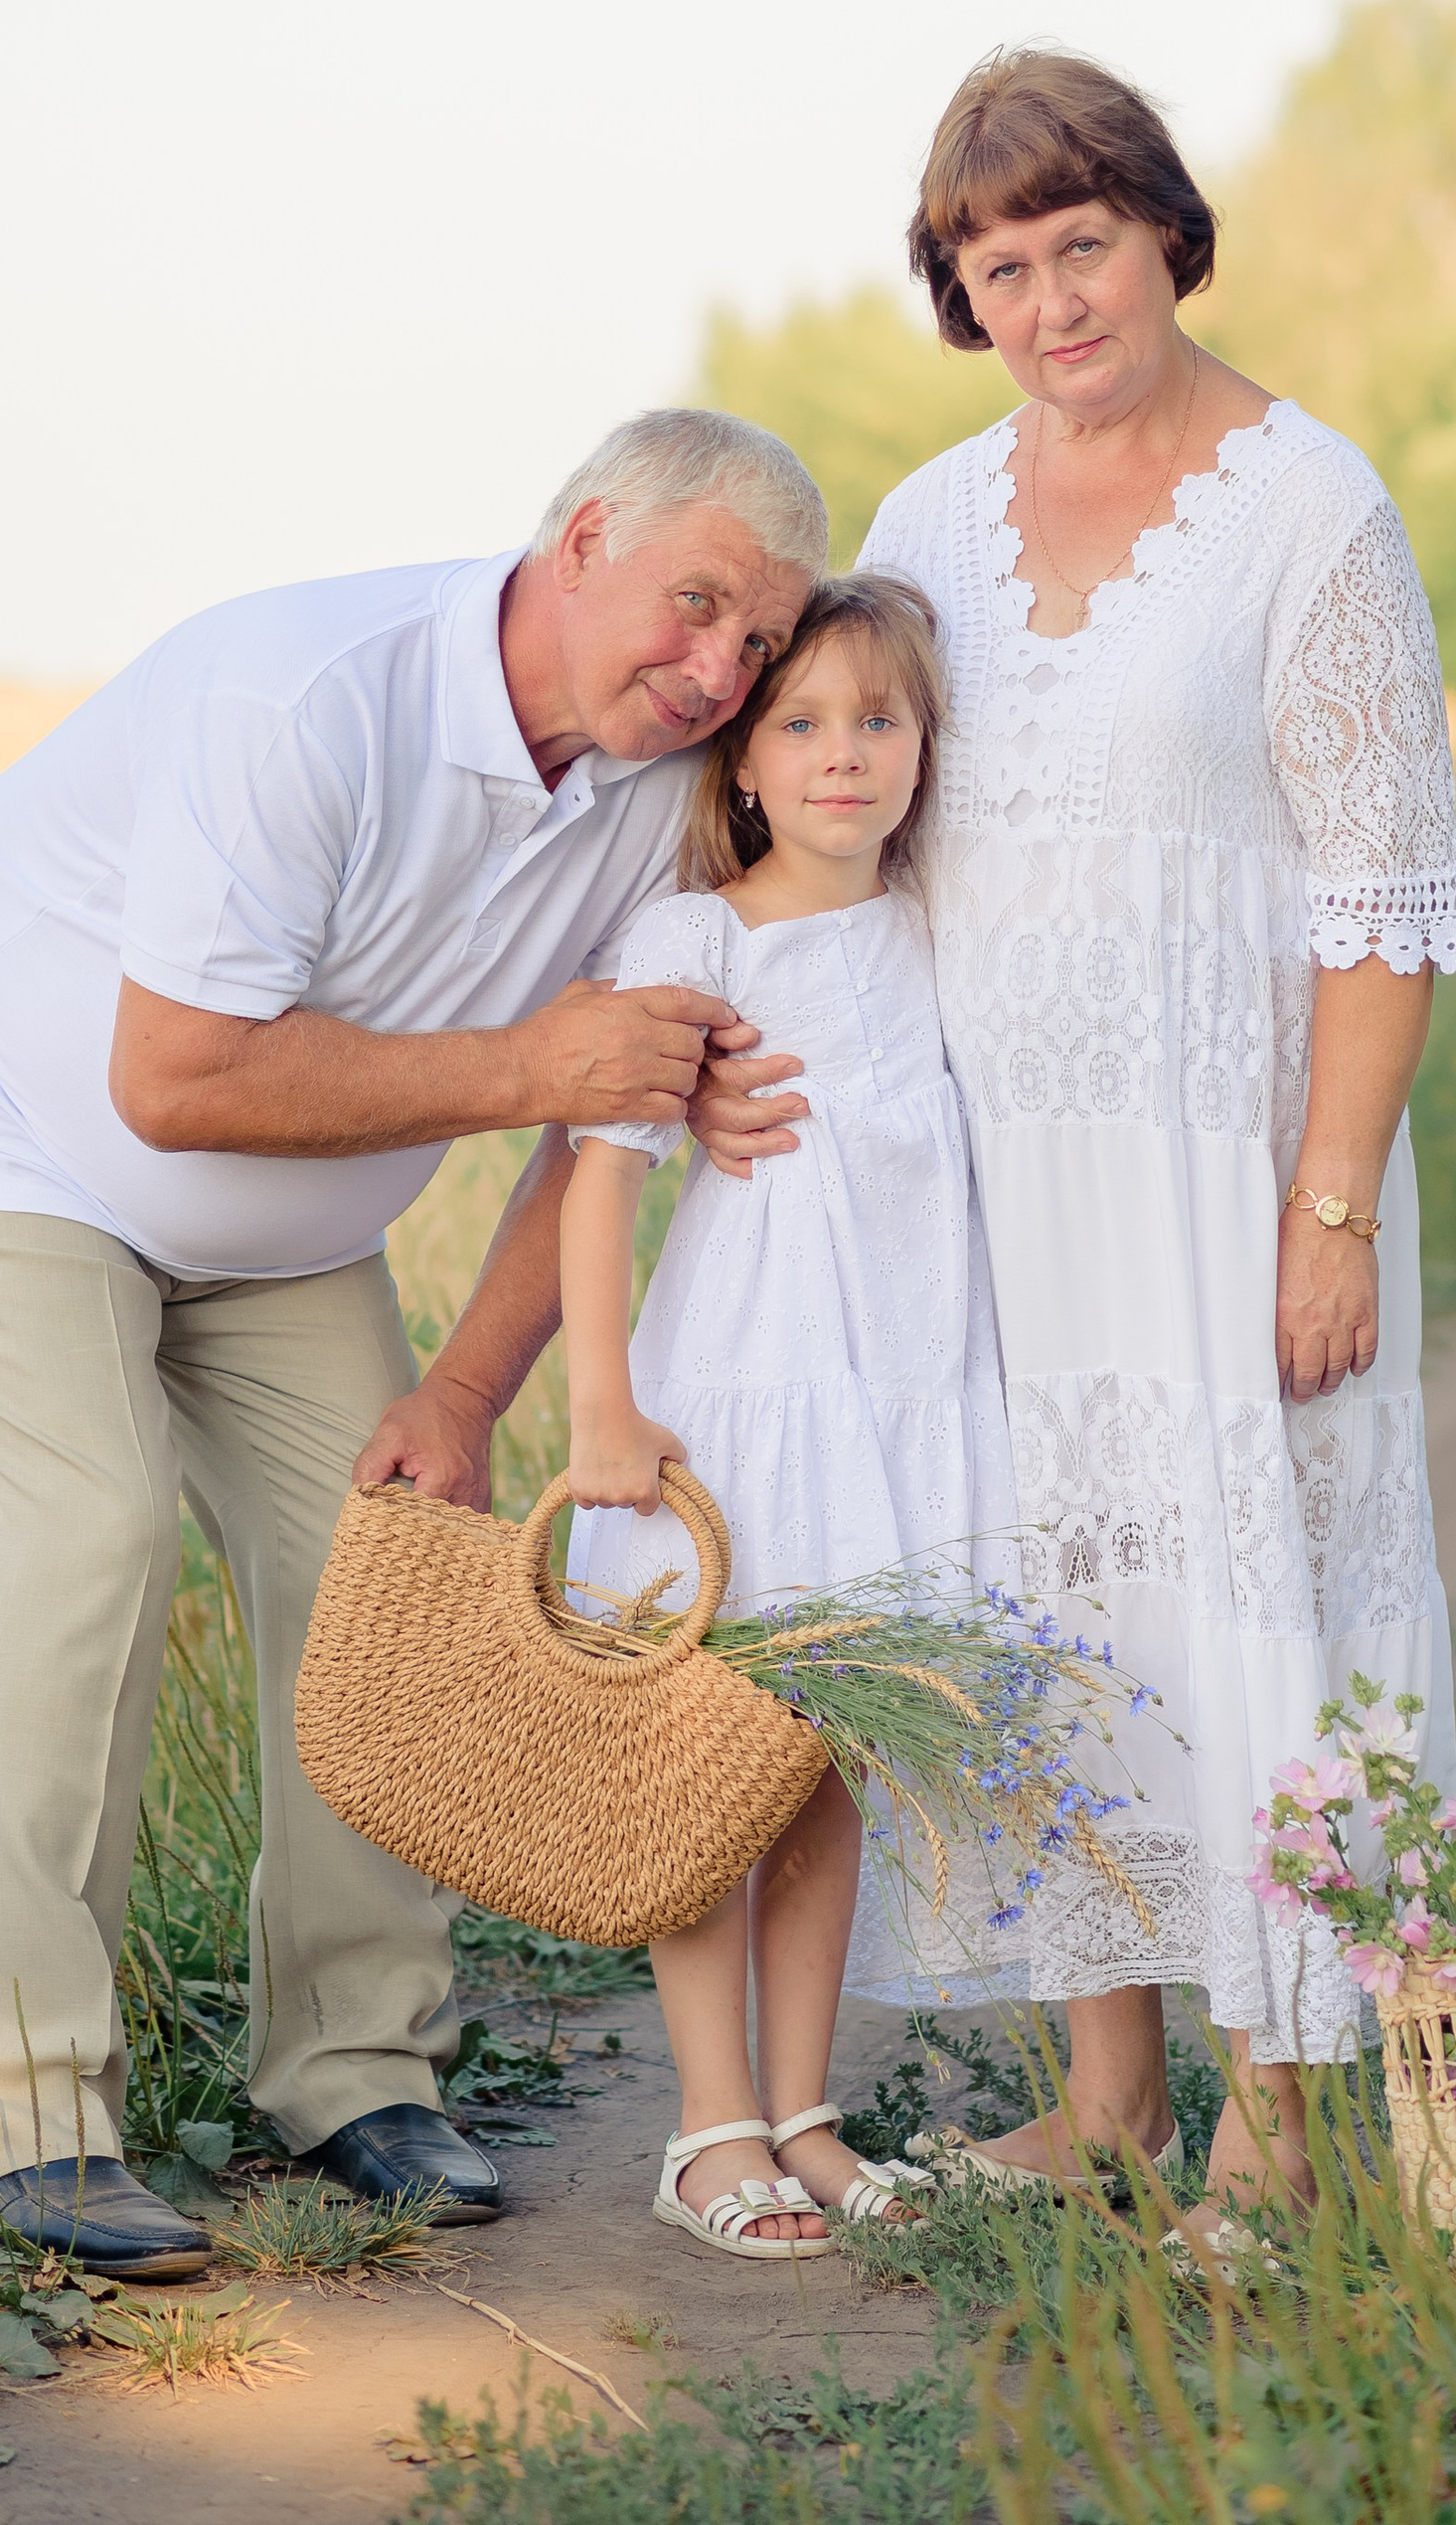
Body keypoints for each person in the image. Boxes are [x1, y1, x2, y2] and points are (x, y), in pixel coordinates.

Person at [0, 409, 825, 2275]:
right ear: (586, 534)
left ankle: (356, 2068)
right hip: (14, 1135)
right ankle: (24, 2117)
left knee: (392, 1559)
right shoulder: (302, 700)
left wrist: (462, 1394)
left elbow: (603, 1121)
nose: (718, 672)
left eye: (760, 642)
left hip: (288, 1229)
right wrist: (533, 1059)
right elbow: (174, 1074)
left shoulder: (659, 788)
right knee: (92, 1542)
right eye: (695, 607)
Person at [694, 50, 1456, 2220]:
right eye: (994, 263)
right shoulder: (928, 523)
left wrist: (1326, 1207)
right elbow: (833, 811)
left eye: (1076, 244)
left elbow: (1384, 895)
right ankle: (1106, 2101)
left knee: (1253, 1616)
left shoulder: (1310, 505)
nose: (1045, 300)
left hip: (1228, 1177)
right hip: (989, 1190)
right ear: (958, 293)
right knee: (1059, 1623)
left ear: (1162, 232)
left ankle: (1285, 2133)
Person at [559, 573, 1012, 2258]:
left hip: (899, 1389)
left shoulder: (935, 924)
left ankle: (805, 2110)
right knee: (716, 1758)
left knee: (829, 1757)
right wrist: (603, 1405)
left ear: (924, 748)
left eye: (879, 722)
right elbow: (599, 1186)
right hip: (744, 1389)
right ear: (743, 761)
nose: (843, 757)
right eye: (802, 725)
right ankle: (708, 2126)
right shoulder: (700, 940)